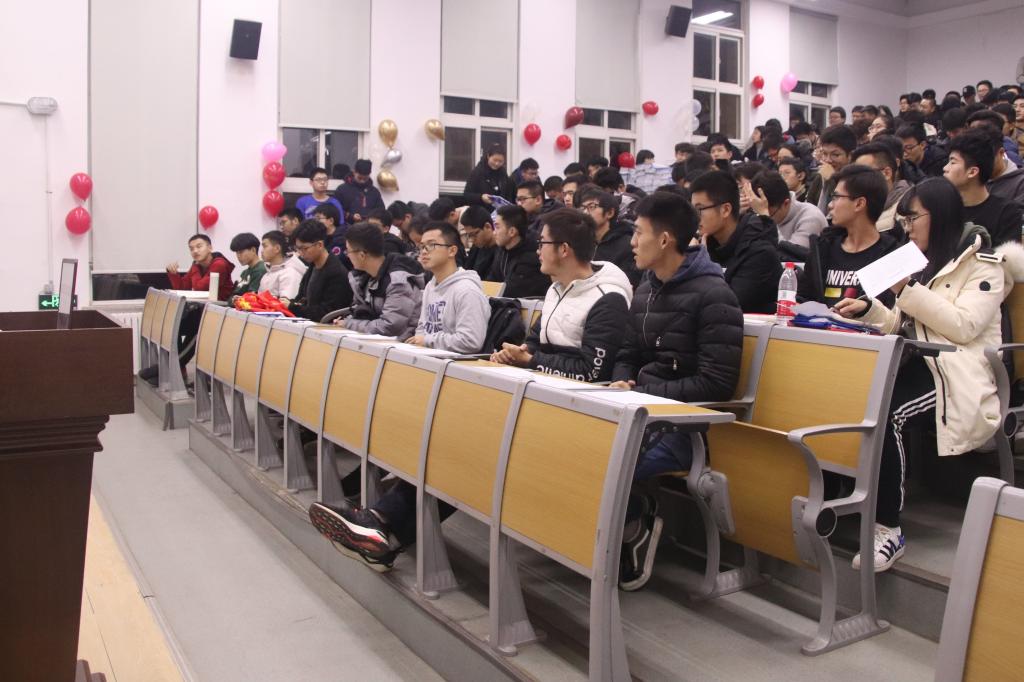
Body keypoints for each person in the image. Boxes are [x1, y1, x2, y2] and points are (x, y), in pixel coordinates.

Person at [833, 178, 1024, 572]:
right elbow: (901, 325)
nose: (907, 228)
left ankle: (888, 529)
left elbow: (963, 327)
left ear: (940, 216)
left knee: (888, 414)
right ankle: (845, 497)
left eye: (913, 218)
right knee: (850, 396)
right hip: (917, 362)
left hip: (957, 372)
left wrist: (905, 289)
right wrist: (870, 311)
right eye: (904, 220)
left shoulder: (985, 267)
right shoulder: (923, 263)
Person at [307, 220, 489, 570]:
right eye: (422, 246)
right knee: (416, 451)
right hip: (431, 378)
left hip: (458, 388)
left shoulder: (466, 291)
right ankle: (379, 534)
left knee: (438, 461)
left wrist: (427, 341)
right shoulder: (432, 286)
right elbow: (421, 331)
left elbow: (470, 342)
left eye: (432, 245)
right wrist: (423, 342)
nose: (423, 251)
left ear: (453, 250)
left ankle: (377, 525)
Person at [609, 191, 743, 590]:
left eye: (639, 233)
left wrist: (645, 391)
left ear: (665, 239)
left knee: (604, 459)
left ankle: (634, 522)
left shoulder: (714, 295)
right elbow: (626, 353)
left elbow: (717, 383)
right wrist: (622, 381)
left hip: (685, 429)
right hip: (640, 412)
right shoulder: (647, 287)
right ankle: (620, 528)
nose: (632, 242)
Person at [490, 207, 631, 381]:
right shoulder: (555, 289)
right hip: (544, 385)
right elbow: (534, 342)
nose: (537, 251)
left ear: (564, 249)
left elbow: (593, 372)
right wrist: (513, 355)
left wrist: (530, 361)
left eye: (542, 243)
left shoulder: (609, 299)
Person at [798, 165, 902, 307]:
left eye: (836, 197)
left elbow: (888, 311)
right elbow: (803, 298)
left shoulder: (890, 256)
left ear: (859, 203)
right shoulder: (823, 248)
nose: (830, 205)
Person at [689, 170, 782, 314]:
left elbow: (726, 307)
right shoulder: (708, 244)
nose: (694, 218)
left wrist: (701, 263)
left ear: (725, 210)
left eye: (700, 209)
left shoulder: (760, 253)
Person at [331, 222, 424, 341]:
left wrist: (348, 324)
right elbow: (357, 310)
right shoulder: (363, 278)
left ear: (362, 255)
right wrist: (346, 321)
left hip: (400, 344)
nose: (347, 256)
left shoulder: (397, 281)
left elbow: (390, 327)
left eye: (348, 251)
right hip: (374, 342)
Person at [946, 129, 1023, 247]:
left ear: (972, 172)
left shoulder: (1007, 213)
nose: (945, 168)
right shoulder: (943, 207)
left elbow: (1006, 256)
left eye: (952, 162)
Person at [282, 220, 353, 321]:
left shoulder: (337, 273)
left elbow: (328, 313)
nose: (301, 253)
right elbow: (301, 299)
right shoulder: (312, 267)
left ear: (319, 245)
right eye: (298, 249)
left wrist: (292, 307)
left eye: (304, 248)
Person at [751, 170, 827, 255]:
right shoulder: (760, 212)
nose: (761, 219)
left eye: (770, 215)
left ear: (786, 203)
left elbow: (791, 256)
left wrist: (766, 218)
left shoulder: (811, 217)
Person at [579, 188, 641, 286]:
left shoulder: (627, 245)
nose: (585, 212)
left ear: (610, 213)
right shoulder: (583, 242)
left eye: (591, 207)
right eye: (583, 208)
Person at [488, 205, 549, 298]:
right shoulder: (502, 250)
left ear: (512, 232)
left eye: (497, 227)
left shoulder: (532, 257)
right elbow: (491, 280)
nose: (494, 232)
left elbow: (511, 292)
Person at [851, 142, 912, 233]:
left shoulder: (908, 205)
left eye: (864, 173)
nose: (858, 180)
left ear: (886, 173)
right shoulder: (858, 205)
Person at [166, 233, 234, 300]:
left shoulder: (220, 264)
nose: (195, 251)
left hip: (221, 305)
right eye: (191, 249)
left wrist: (195, 266)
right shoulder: (197, 265)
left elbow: (200, 289)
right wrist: (173, 273)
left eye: (199, 246)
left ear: (210, 248)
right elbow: (182, 288)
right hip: (206, 303)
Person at [976, 123, 1024, 208]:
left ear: (1001, 153)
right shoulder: (971, 177)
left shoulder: (1020, 184)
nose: (981, 163)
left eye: (986, 157)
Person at [816, 125, 858, 214]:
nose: (828, 160)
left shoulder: (858, 180)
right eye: (824, 154)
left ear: (851, 155)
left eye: (835, 155)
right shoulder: (820, 175)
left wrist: (832, 178)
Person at [334, 159, 384, 224]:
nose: (362, 181)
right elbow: (335, 209)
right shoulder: (342, 189)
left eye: (365, 178)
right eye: (359, 178)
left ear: (369, 174)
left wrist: (371, 218)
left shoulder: (374, 192)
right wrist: (351, 216)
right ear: (354, 172)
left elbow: (381, 211)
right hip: (347, 227)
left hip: (369, 227)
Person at [258, 230, 304, 300]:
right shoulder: (267, 274)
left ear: (277, 248)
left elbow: (286, 303)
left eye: (265, 246)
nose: (262, 251)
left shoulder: (290, 273)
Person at [460, 205, 500, 281]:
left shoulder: (501, 252)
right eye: (469, 235)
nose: (472, 239)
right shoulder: (477, 247)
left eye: (474, 234)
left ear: (488, 226)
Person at [227, 232, 267, 302]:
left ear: (253, 250)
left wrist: (235, 300)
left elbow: (251, 299)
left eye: (241, 252)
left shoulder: (260, 270)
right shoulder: (244, 272)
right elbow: (231, 298)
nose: (238, 256)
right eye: (237, 253)